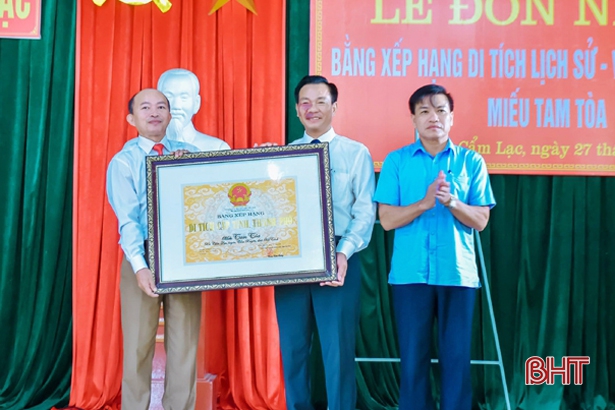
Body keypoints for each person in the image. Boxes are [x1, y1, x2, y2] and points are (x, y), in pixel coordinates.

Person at [374, 84, 496, 410]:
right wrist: (425, 203)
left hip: (457, 275)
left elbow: (481, 220)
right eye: (425, 111)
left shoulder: (471, 161)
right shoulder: (397, 161)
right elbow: (386, 219)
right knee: (413, 359)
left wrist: (453, 201)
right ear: (413, 118)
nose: (434, 118)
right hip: (409, 275)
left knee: (456, 359)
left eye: (440, 110)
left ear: (452, 118)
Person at [274, 75, 376, 410]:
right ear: (296, 110)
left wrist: (343, 254)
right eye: (305, 102)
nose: (312, 108)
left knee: (337, 349)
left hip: (339, 254)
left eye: (320, 101)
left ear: (334, 106)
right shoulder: (283, 156)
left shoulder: (355, 153)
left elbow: (364, 214)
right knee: (293, 347)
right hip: (291, 257)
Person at [106, 88, 202, 410]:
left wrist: (192, 168)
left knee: (184, 344)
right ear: (131, 118)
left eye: (162, 106)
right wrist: (139, 265)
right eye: (145, 107)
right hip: (142, 254)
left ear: (170, 115)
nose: (155, 112)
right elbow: (128, 220)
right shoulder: (124, 161)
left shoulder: (189, 152)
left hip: (185, 256)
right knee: (137, 345)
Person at [157, 68, 230, 151]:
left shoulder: (217, 148)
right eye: (169, 96)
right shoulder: (143, 150)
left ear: (196, 103)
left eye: (184, 97)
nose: (176, 105)